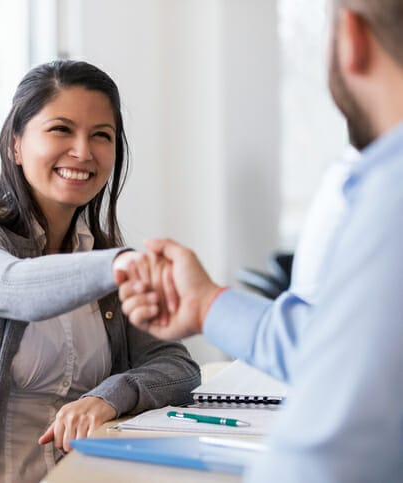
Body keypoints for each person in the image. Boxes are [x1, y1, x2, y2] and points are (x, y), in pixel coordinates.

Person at [119, 0, 403, 480]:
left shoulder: (390, 194)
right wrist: (210, 305)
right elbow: (343, 352)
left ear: (350, 38)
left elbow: (333, 446)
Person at [0, 60, 200, 483]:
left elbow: (177, 365)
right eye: (61, 130)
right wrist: (120, 265)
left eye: (101, 136)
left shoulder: (99, 255)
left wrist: (110, 397)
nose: (83, 152)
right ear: (15, 144)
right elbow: (15, 288)